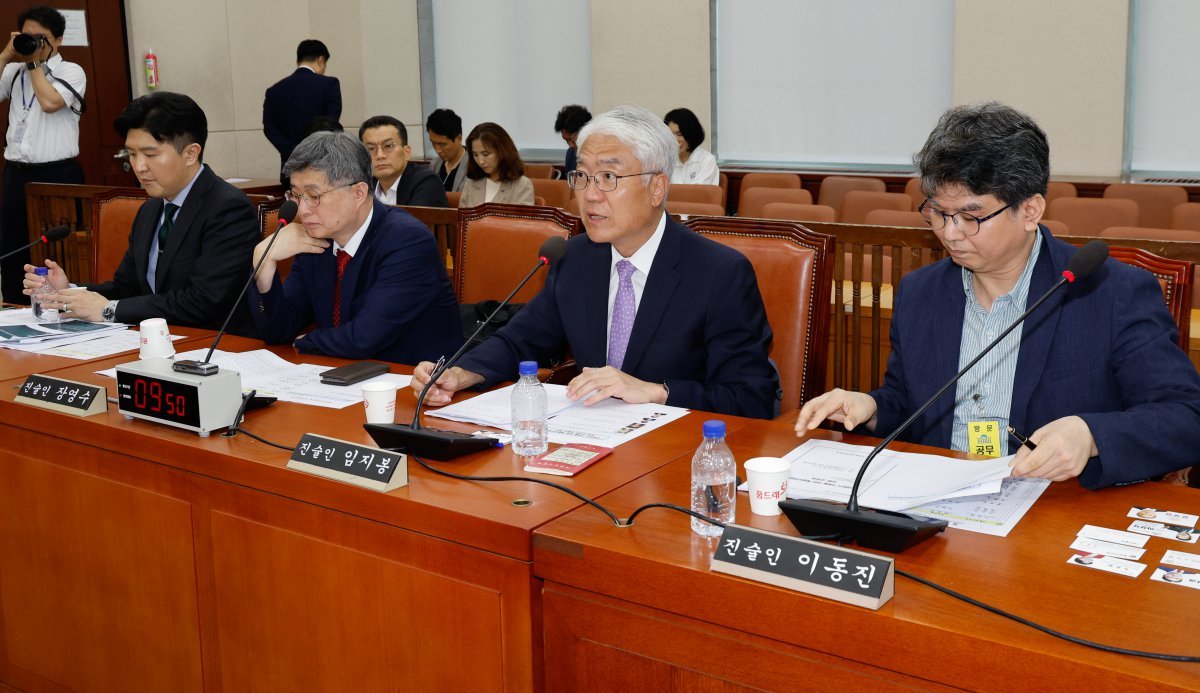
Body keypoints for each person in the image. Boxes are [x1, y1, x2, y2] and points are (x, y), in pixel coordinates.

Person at [795, 102, 1200, 489]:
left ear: (1030, 211)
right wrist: (869, 407)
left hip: (1052, 505)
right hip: (935, 502)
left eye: (971, 217)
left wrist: (1090, 434)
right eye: (938, 213)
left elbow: (1186, 418)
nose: (950, 233)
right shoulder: (921, 293)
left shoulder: (1112, 293)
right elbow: (910, 402)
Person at [413, 105, 780, 419]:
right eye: (582, 176)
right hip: (590, 444)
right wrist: (463, 373)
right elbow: (521, 340)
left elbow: (751, 397)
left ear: (657, 188)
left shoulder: (719, 274)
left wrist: (657, 391)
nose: (589, 196)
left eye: (607, 177)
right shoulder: (575, 258)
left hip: (676, 458)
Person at [22, 91, 260, 335]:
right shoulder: (150, 209)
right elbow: (127, 289)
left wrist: (109, 310)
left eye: (150, 154)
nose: (139, 166)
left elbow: (204, 301)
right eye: (132, 154)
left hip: (214, 344)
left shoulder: (228, 209)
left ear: (191, 153)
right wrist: (68, 291)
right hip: (156, 341)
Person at [248, 131, 461, 364]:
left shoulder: (408, 242)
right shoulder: (315, 238)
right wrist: (263, 262)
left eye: (313, 195)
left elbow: (363, 339)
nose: (302, 210)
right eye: (296, 195)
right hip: (341, 375)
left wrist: (304, 341)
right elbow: (277, 331)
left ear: (358, 192)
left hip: (411, 383)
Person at [0, 5, 85, 304]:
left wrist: (34, 64)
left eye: (41, 38)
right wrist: (6, 56)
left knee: (56, 249)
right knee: (11, 247)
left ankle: (60, 307)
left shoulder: (71, 71)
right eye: (27, 37)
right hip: (16, 172)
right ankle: (14, 308)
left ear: (58, 40)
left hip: (57, 174)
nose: (33, 43)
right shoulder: (13, 71)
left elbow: (50, 102)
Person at [263, 39, 342, 179]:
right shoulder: (329, 84)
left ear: (297, 61)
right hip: (323, 165)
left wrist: (292, 151)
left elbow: (269, 128)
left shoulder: (274, 91)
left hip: (290, 166)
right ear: (321, 60)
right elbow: (331, 124)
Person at [359, 115, 447, 207]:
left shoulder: (427, 182)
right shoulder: (363, 186)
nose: (380, 155)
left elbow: (412, 221)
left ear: (407, 152)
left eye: (388, 146)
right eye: (371, 148)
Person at [458, 122, 535, 207]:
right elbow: (461, 218)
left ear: (502, 151)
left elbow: (523, 219)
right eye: (475, 155)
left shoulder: (522, 185)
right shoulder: (471, 183)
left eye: (485, 154)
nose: (480, 161)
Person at [664, 107, 718, 186]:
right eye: (670, 134)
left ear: (691, 135)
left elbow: (697, 194)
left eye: (680, 134)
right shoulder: (665, 160)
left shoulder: (706, 160)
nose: (674, 140)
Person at [426, 108, 468, 193]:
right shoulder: (434, 164)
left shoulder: (473, 166)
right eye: (433, 143)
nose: (437, 150)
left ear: (458, 139)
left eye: (442, 144)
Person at [554, 104, 591, 173]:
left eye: (573, 139)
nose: (570, 145)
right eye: (566, 140)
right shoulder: (571, 154)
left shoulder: (602, 155)